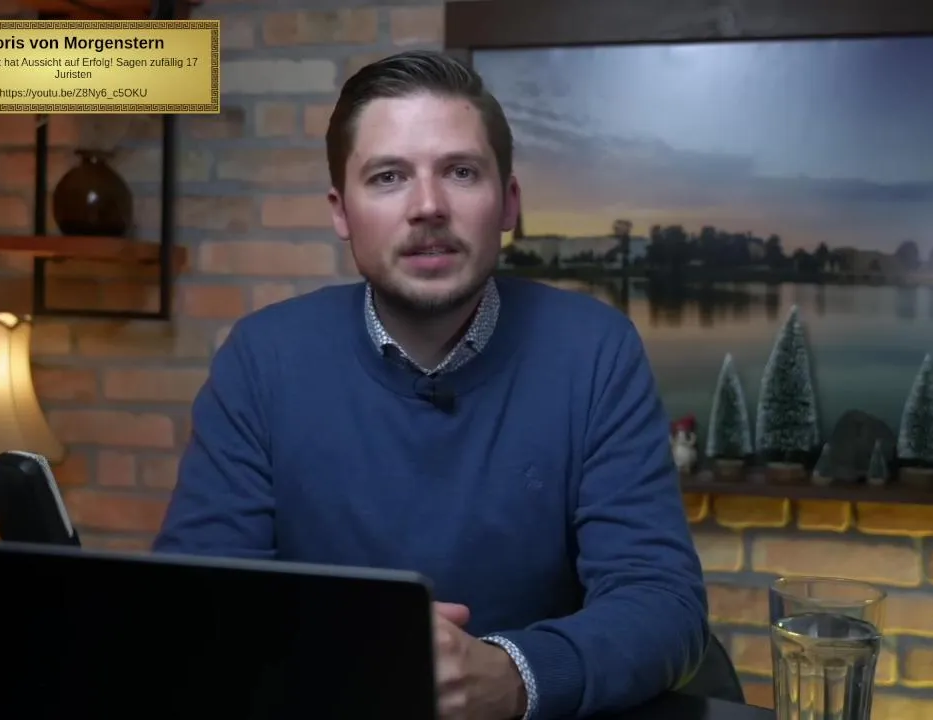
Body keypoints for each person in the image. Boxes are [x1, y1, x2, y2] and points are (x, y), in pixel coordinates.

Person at [153, 50, 709, 720]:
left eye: (461, 172)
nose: (427, 207)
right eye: (388, 177)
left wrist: (513, 675)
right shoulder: (260, 359)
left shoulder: (596, 351)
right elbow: (194, 604)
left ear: (508, 203)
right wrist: (350, 655)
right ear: (341, 211)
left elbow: (663, 605)